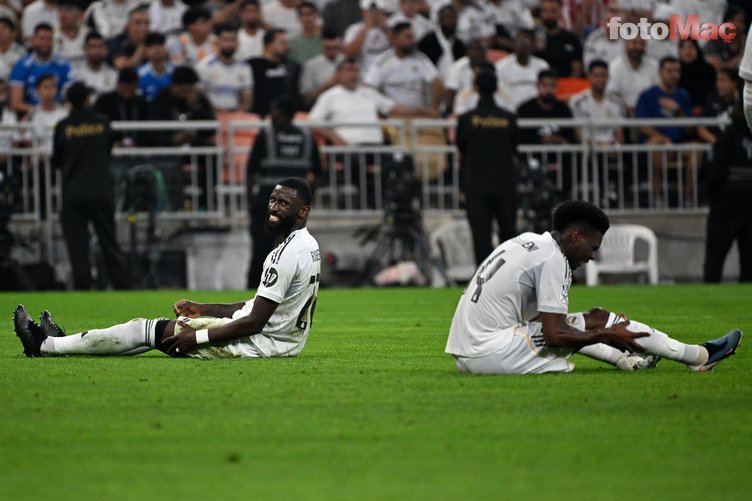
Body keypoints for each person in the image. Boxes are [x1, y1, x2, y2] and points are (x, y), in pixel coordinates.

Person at [13, 177, 321, 360]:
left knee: (143, 329)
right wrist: (205, 308)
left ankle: (45, 345)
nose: (274, 208)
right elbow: (261, 306)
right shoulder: (307, 244)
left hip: (256, 345)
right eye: (273, 200)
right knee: (152, 334)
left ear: (303, 211)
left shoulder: (284, 254)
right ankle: (62, 344)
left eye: (284, 203)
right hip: (281, 342)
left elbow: (254, 321)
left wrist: (197, 338)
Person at [445, 199, 743, 375]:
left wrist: (600, 334)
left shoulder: (529, 241)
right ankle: (699, 356)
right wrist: (607, 334)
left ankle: (626, 361)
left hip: (469, 353)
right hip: (490, 353)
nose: (593, 257)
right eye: (593, 247)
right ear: (575, 236)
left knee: (588, 321)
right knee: (599, 321)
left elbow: (548, 325)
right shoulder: (553, 258)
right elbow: (555, 335)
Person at [51, 82, 131, 290]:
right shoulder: (102, 123)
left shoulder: (64, 126)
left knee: (77, 243)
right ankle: (121, 283)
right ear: (87, 99)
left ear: (69, 101)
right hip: (100, 189)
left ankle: (83, 284)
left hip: (73, 192)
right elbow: (107, 150)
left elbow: (56, 160)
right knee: (108, 240)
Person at [246, 97, 322, 289]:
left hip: (267, 202)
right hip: (295, 208)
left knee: (261, 250)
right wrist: (307, 201)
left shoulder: (266, 135)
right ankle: (295, 290)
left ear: (277, 112)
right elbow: (320, 173)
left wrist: (250, 200)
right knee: (295, 251)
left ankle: (255, 292)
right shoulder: (307, 137)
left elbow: (251, 170)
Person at [455, 70, 518, 266]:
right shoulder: (509, 118)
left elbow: (461, 148)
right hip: (505, 183)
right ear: (497, 88)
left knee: (481, 237)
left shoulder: (466, 119)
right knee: (508, 236)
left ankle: (483, 279)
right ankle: (509, 277)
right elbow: (514, 146)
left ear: (475, 88)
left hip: (476, 184)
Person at [703, 103, 752, 283]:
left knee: (715, 256)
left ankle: (710, 292)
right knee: (749, 258)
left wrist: (713, 196)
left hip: (726, 203)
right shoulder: (732, 135)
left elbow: (716, 172)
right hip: (747, 203)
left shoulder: (728, 135)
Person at [8, 23, 72, 115]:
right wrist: (41, 111)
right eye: (41, 39)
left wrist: (57, 112)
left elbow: (70, 99)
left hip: (58, 114)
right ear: (33, 40)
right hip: (30, 114)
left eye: (49, 39)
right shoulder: (21, 65)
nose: (45, 43)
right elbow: (15, 103)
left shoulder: (63, 65)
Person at [196, 23, 253, 113]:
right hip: (212, 114)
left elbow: (247, 100)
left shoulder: (244, 67)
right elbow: (199, 97)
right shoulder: (205, 66)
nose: (230, 44)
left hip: (236, 114)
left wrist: (239, 112)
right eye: (225, 40)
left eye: (233, 40)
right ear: (217, 42)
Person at [248, 28, 300, 117]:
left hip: (287, 117)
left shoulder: (293, 66)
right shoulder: (253, 65)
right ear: (269, 44)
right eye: (283, 43)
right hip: (260, 115)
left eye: (287, 43)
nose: (287, 47)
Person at [93, 66, 148, 146]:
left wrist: (138, 143)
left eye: (130, 89)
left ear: (136, 86)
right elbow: (98, 128)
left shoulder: (141, 103)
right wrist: (111, 143)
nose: (127, 92)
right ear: (118, 84)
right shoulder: (104, 102)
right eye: (124, 89)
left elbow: (147, 130)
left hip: (138, 148)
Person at [494, 29, 549, 109]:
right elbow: (500, 95)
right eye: (519, 41)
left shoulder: (542, 66)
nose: (522, 45)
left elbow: (546, 91)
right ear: (514, 44)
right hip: (511, 110)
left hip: (536, 111)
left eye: (526, 42)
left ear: (533, 46)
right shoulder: (501, 67)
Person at [534, 0, 583, 78]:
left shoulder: (571, 39)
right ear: (540, 13)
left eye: (553, 11)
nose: (549, 15)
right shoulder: (533, 37)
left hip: (565, 82)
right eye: (545, 11)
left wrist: (569, 83)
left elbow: (577, 68)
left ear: (559, 12)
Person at [71, 31, 117, 102]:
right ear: (85, 49)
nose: (97, 51)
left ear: (105, 49)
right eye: (92, 47)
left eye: (100, 46)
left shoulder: (113, 75)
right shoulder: (75, 73)